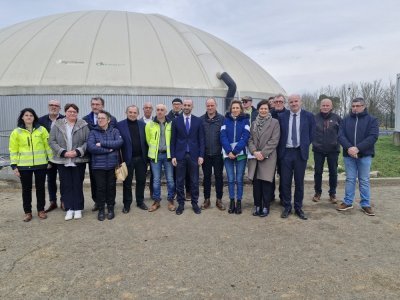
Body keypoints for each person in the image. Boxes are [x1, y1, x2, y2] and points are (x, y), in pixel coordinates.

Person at [9, 108, 53, 222]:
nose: (29, 117)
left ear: (34, 117)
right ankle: (27, 212)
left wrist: (50, 161)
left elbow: (48, 146)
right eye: (26, 115)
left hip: (41, 164)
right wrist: (14, 166)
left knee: (40, 188)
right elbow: (13, 149)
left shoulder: (41, 130)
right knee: (26, 189)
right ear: (22, 117)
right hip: (24, 166)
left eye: (31, 115)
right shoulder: (16, 132)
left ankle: (41, 210)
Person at [337, 97, 379, 216]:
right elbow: (340, 136)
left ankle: (365, 204)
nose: (355, 108)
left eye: (358, 106)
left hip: (365, 155)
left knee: (364, 180)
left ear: (364, 106)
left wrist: (358, 148)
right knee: (350, 179)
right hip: (348, 155)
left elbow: (373, 137)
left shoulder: (372, 120)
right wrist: (349, 148)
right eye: (353, 106)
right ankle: (348, 202)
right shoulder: (345, 120)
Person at [49, 104, 90, 221]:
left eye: (74, 112)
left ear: (77, 113)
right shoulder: (57, 125)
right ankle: (69, 209)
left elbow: (88, 141)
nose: (72, 113)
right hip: (63, 160)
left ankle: (78, 208)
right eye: (69, 111)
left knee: (77, 185)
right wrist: (63, 152)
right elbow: (52, 141)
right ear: (65, 112)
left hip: (78, 160)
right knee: (66, 185)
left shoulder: (83, 125)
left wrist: (78, 151)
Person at [278, 94, 315, 220]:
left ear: (301, 102)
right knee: (285, 182)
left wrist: (304, 145)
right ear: (288, 104)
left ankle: (298, 207)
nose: (294, 104)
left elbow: (312, 133)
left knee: (299, 182)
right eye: (291, 102)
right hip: (286, 153)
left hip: (300, 153)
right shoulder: (282, 116)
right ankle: (287, 206)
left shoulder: (309, 116)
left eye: (296, 101)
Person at [87, 110, 123, 221]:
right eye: (99, 118)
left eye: (103, 118)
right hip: (98, 166)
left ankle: (111, 208)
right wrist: (109, 150)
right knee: (100, 188)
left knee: (111, 188)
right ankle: (101, 209)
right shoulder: (93, 132)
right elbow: (91, 147)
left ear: (108, 120)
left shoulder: (115, 131)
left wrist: (102, 144)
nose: (100, 120)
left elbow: (119, 143)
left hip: (112, 165)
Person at [83, 97, 117, 211]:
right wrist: (106, 149)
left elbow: (114, 138)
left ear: (102, 106)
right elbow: (88, 141)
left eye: (97, 104)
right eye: (93, 104)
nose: (95, 106)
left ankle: (110, 202)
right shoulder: (85, 120)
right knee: (95, 181)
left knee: (110, 183)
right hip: (94, 157)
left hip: (110, 159)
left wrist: (103, 145)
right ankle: (97, 202)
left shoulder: (112, 119)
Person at [171, 99, 205, 215]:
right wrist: (173, 156)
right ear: (182, 106)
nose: (186, 107)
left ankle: (194, 203)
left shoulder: (198, 121)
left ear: (192, 106)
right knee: (179, 181)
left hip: (194, 155)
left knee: (194, 181)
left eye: (188, 105)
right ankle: (180, 204)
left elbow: (201, 139)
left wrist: (201, 155)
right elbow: (173, 140)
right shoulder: (176, 121)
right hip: (180, 155)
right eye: (185, 105)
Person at [248, 100, 280, 217]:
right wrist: (254, 152)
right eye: (261, 108)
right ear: (258, 110)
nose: (263, 110)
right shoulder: (254, 123)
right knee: (256, 183)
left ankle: (266, 206)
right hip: (255, 157)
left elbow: (274, 140)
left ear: (268, 110)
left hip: (268, 157)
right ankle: (257, 205)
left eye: (265, 108)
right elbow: (250, 139)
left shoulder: (274, 123)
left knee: (266, 182)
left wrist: (263, 152)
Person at [116, 105, 148, 213]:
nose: (132, 114)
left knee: (141, 181)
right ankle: (127, 204)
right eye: (130, 112)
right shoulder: (120, 125)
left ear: (138, 114)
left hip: (141, 159)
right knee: (127, 183)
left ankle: (140, 201)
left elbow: (146, 142)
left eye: (135, 112)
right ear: (126, 112)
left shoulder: (143, 125)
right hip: (127, 159)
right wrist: (119, 161)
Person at [220, 99, 250, 214]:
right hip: (228, 154)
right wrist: (229, 151)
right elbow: (223, 136)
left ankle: (239, 202)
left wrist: (236, 150)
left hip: (240, 154)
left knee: (239, 179)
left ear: (241, 109)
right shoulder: (225, 120)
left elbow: (246, 136)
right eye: (234, 108)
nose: (235, 110)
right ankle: (232, 201)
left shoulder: (246, 120)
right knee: (231, 179)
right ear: (231, 109)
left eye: (237, 108)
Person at [145, 104, 176, 212]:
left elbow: (173, 140)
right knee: (156, 180)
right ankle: (156, 201)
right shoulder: (150, 125)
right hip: (156, 156)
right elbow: (148, 140)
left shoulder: (171, 124)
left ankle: (171, 200)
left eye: (162, 110)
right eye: (158, 110)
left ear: (166, 112)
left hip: (168, 156)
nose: (159, 112)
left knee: (170, 180)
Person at [312, 98, 341, 204]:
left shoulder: (337, 118)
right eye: (323, 105)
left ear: (331, 106)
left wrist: (336, 143)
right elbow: (310, 132)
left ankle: (332, 193)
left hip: (333, 150)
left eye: (327, 105)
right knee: (317, 172)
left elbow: (341, 133)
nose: (325, 107)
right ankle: (317, 192)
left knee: (333, 172)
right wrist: (314, 143)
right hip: (318, 149)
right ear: (320, 106)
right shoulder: (314, 118)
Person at [38, 99, 65, 212]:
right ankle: (52, 201)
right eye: (51, 105)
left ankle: (64, 201)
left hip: (62, 154)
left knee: (64, 179)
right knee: (51, 179)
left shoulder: (64, 119)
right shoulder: (40, 120)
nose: (53, 107)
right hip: (48, 157)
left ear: (60, 108)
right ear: (48, 106)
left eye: (56, 105)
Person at [200, 97, 225, 210]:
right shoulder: (201, 120)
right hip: (205, 155)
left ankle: (219, 200)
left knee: (219, 177)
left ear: (216, 106)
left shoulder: (222, 119)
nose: (210, 107)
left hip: (218, 154)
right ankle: (207, 200)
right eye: (208, 106)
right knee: (206, 178)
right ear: (206, 106)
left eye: (212, 105)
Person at [167, 97, 191, 200]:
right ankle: (177, 191)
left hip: (187, 149)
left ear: (181, 106)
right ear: (172, 105)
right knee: (176, 174)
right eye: (174, 104)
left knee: (188, 173)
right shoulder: (168, 117)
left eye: (178, 104)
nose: (176, 106)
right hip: (177, 149)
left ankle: (188, 191)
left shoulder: (186, 116)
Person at [271, 94, 287, 204]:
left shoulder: (289, 115)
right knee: (270, 174)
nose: (278, 103)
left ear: (284, 103)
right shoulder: (269, 114)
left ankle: (283, 196)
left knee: (284, 175)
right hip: (271, 149)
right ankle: (270, 195)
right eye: (276, 101)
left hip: (284, 150)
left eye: (280, 102)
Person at [141, 102, 154, 198]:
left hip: (154, 152)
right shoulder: (139, 122)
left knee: (154, 174)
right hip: (142, 152)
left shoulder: (156, 121)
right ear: (143, 109)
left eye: (150, 108)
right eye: (146, 108)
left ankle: (152, 192)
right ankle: (140, 194)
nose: (148, 109)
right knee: (142, 174)